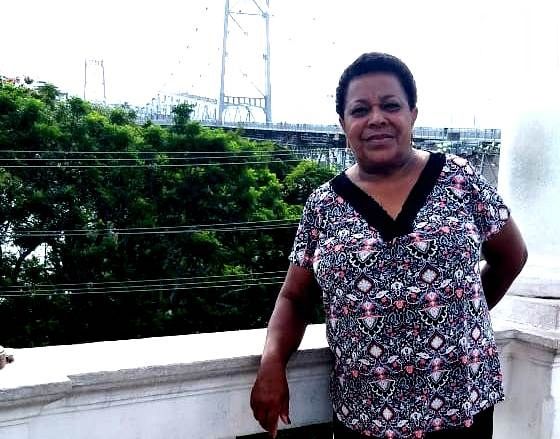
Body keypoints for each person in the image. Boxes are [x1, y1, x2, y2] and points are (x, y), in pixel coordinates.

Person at [250, 52, 528, 438]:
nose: (376, 118)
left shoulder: (459, 179)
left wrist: (459, 315)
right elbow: (294, 298)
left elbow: (511, 257)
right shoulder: (323, 204)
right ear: (343, 123)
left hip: (461, 408)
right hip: (365, 418)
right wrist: (272, 362)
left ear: (412, 114)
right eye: (360, 109)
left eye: (391, 105)